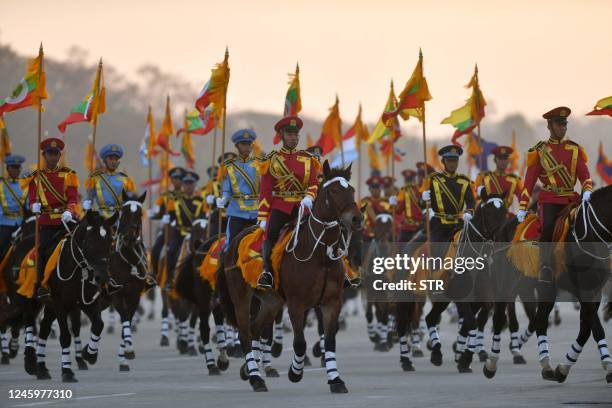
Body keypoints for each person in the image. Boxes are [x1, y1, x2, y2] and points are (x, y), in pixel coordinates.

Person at [517, 107, 592, 283]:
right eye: (559, 125)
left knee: (588, 225)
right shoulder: (539, 151)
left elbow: (584, 173)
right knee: (549, 227)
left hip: (571, 200)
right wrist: (522, 206)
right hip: (549, 199)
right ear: (549, 126)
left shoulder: (574, 149)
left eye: (565, 125)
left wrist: (587, 189)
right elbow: (528, 182)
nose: (563, 128)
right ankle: (545, 266)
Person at [257, 116, 320, 289]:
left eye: (295, 134)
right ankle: (267, 272)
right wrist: (263, 215)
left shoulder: (308, 159)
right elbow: (266, 190)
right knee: (271, 234)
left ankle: (340, 270)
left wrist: (309, 196)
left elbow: (314, 183)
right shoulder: (272, 160)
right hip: (281, 206)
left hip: (304, 207)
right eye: (289, 134)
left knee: (324, 232)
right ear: (282, 136)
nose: (293, 137)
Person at [26, 138, 79, 299]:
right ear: (44, 155)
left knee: (83, 245)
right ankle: (41, 285)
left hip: (65, 221)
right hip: (47, 223)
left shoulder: (69, 174)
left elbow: (73, 198)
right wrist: (33, 206)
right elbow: (32, 198)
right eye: (50, 154)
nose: (53, 157)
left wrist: (70, 211)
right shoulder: (35, 177)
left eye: (56, 154)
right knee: (41, 251)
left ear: (59, 155)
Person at [420, 145, 475, 256]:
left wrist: (469, 212)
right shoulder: (433, 179)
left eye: (455, 160)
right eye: (449, 160)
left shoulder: (464, 181)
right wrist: (423, 198)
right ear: (443, 161)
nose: (452, 164)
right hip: (439, 224)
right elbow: (423, 203)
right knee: (435, 252)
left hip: (458, 224)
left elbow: (471, 201)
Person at [217, 129, 261, 249]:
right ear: (237, 146)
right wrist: (224, 199)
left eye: (249, 144)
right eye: (243, 144)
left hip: (256, 211)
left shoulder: (259, 165)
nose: (247, 147)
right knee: (230, 244)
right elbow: (226, 189)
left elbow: (263, 188)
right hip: (236, 211)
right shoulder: (228, 166)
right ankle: (222, 266)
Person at [164, 170, 203, 287]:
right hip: (180, 232)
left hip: (196, 234)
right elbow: (170, 219)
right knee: (171, 252)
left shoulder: (201, 201)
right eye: (186, 183)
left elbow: (204, 217)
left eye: (191, 183)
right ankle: (170, 279)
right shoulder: (175, 201)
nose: (188, 186)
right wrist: (166, 218)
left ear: (195, 184)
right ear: (183, 185)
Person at [84, 144, 135, 218]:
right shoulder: (95, 178)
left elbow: (130, 200)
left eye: (116, 159)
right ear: (105, 160)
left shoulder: (126, 180)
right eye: (111, 158)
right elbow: (89, 197)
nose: (114, 161)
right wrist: (87, 202)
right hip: (101, 217)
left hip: (120, 217)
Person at [474, 145, 522, 212]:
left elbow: (522, 197)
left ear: (508, 161)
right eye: (500, 158)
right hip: (487, 213)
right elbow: (475, 193)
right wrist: (481, 205)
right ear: (495, 160)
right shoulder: (484, 177)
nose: (503, 161)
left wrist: (523, 210)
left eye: (505, 158)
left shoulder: (514, 180)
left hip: (505, 214)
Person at [0, 155, 27, 253]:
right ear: (7, 169)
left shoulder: (25, 185)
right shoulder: (1, 185)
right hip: (4, 223)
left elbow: (29, 207)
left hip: (21, 224)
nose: (16, 170)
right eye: (13, 167)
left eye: (18, 167)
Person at [394, 169, 423, 242]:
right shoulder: (403, 192)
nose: (408, 182)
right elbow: (398, 211)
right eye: (407, 180)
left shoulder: (420, 190)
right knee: (399, 246)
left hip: (421, 226)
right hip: (407, 227)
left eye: (410, 180)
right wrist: (394, 203)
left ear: (414, 180)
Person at [360, 175, 390, 241]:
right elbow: (362, 219)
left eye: (378, 187)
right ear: (370, 189)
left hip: (382, 235)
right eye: (373, 187)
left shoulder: (386, 202)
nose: (376, 190)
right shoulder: (364, 202)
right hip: (367, 234)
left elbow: (390, 219)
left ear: (381, 188)